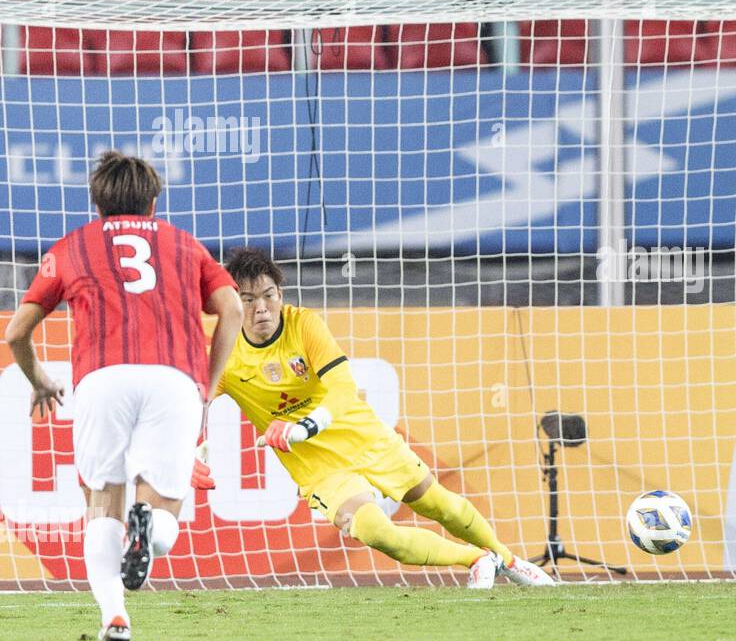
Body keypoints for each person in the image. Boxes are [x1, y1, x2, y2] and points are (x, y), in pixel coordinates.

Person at [197, 247, 554, 589]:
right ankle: (477, 559)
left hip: (364, 438)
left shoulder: (303, 324)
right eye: (248, 299)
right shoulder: (227, 354)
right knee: (379, 534)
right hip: (322, 471)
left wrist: (304, 427)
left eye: (269, 295)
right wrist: (189, 449)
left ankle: (507, 560)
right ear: (232, 303)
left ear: (281, 293)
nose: (262, 308)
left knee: (439, 504)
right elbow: (194, 397)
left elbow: (341, 389)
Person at [4, 151, 243, 641]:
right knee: (163, 516)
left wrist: (42, 380)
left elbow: (17, 331)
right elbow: (232, 308)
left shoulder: (71, 247)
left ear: (96, 204)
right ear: (154, 200)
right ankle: (148, 528)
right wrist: (208, 384)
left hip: (101, 380)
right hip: (174, 380)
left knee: (100, 505)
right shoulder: (185, 244)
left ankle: (115, 617)